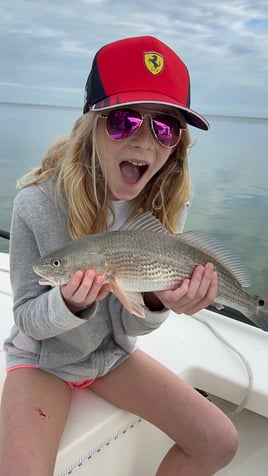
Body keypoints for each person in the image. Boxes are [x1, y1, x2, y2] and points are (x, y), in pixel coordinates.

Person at [0, 35, 238, 475]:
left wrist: (154, 301)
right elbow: (29, 318)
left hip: (113, 356)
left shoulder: (166, 206)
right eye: (124, 121)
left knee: (219, 440)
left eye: (165, 128)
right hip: (42, 361)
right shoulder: (35, 203)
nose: (145, 145)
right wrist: (70, 303)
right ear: (93, 123)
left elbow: (131, 326)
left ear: (178, 144)